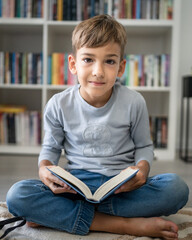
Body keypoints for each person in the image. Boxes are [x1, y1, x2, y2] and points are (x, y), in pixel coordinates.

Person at [6, 15, 189, 239]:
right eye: (88, 60)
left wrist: (142, 169)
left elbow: (144, 146)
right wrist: (44, 169)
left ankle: (63, 216)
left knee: (177, 189)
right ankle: (122, 224)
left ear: (121, 67)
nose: (98, 71)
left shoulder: (134, 102)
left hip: (120, 187)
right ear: (73, 64)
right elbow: (50, 149)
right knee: (18, 195)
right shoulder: (58, 104)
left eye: (109, 61)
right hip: (76, 188)